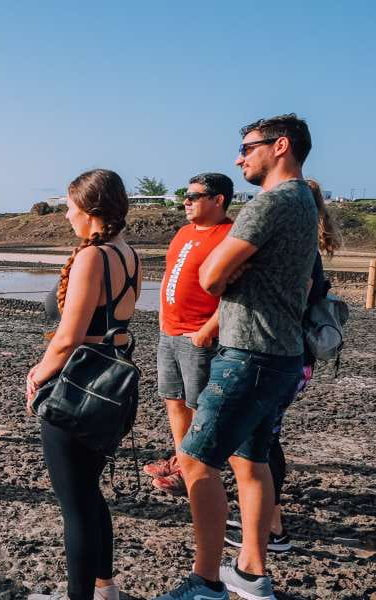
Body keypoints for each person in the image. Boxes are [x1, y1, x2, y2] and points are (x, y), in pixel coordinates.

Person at [156, 114, 318, 600]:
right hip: (281, 353)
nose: (239, 156)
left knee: (196, 461)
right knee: (251, 460)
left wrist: (229, 268)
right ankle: (251, 572)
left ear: (281, 146)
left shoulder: (269, 203)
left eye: (248, 147)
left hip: (248, 352)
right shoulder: (306, 201)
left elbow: (210, 276)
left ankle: (205, 583)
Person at [26, 169, 138, 600]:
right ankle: (105, 586)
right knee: (90, 493)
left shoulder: (92, 258)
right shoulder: (127, 253)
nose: (67, 215)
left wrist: (37, 374)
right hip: (115, 381)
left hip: (79, 384)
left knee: (74, 506)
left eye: (71, 207)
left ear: (91, 210)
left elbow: (68, 337)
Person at [224, 178, 340, 554]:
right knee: (265, 440)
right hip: (298, 359)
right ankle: (267, 523)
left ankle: (272, 529)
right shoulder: (308, 247)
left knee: (261, 445)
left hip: (281, 355)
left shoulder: (298, 251)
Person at [145, 173, 235, 496]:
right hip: (169, 332)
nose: (186, 200)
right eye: (186, 194)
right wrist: (161, 317)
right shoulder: (184, 232)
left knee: (200, 405)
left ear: (218, 199)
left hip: (199, 336)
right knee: (173, 399)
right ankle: (182, 460)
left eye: (194, 196)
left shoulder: (229, 235)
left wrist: (207, 330)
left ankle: (195, 467)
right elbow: (170, 273)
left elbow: (236, 293)